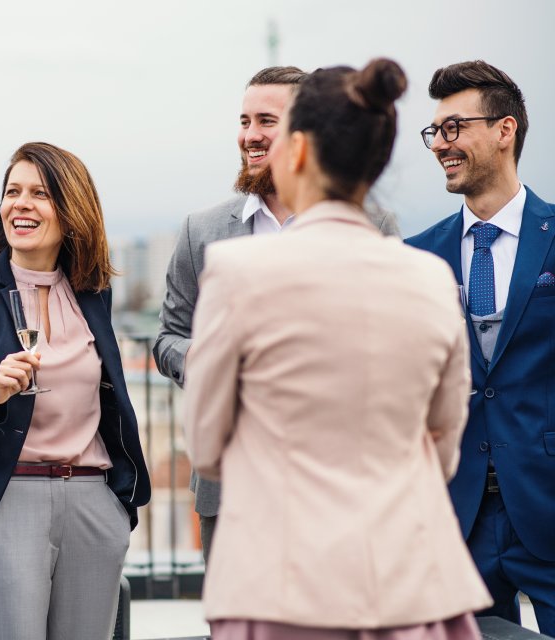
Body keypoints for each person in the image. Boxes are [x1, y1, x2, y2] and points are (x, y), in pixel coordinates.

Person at [184, 59, 491, 639]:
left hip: (283, 584)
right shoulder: (431, 279)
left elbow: (206, 445)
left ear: (296, 151)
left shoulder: (236, 273)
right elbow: (445, 446)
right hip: (407, 581)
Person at [152, 66, 400, 560]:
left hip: (340, 485)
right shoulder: (201, 232)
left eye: (266, 120)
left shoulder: (375, 226)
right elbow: (167, 337)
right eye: (244, 121)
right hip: (229, 485)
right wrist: (205, 358)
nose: (249, 135)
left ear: (307, 129)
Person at [0, 142, 151, 640]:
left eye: (40, 194)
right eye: (13, 192)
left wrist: (118, 507)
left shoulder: (92, 294)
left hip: (93, 502)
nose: (20, 204)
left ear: (70, 213)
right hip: (7, 501)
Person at [406, 61, 555, 634]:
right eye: (435, 132)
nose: (441, 144)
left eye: (455, 127)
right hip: (457, 518)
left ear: (505, 129)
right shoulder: (418, 256)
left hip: (546, 504)